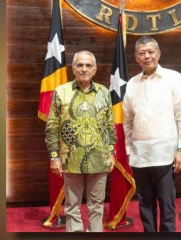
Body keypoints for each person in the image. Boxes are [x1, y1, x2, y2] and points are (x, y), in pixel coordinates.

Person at [122, 36, 181, 232]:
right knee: (145, 205)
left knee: (167, 206)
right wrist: (128, 150)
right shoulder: (132, 84)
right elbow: (128, 121)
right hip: (140, 156)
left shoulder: (174, 78)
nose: (147, 56)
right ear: (136, 57)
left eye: (151, 52)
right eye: (142, 53)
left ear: (159, 53)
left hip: (166, 156)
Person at [45, 50, 116, 232]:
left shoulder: (104, 93)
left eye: (88, 65)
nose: (84, 69)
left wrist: (112, 152)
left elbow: (109, 126)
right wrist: (54, 157)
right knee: (72, 206)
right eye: (80, 65)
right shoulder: (61, 92)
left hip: (99, 160)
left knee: (96, 206)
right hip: (71, 160)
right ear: (73, 68)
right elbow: (52, 127)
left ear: (95, 70)